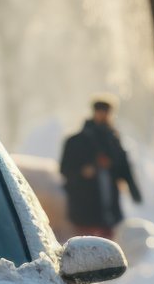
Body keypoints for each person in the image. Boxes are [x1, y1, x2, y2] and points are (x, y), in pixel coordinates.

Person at [59, 96, 142, 239]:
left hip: (108, 210)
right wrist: (83, 172)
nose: (103, 115)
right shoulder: (75, 141)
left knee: (107, 249)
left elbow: (124, 169)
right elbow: (65, 169)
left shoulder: (114, 141)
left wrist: (135, 192)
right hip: (83, 209)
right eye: (100, 111)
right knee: (84, 249)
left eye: (106, 111)